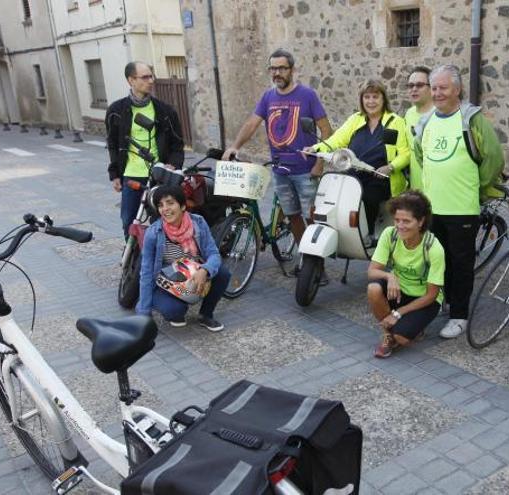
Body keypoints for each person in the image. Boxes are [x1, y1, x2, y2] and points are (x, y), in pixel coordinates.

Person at [414, 64, 505, 339]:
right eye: (434, 88)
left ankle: (459, 315)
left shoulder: (471, 119)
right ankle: (445, 301)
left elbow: (493, 158)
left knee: (461, 262)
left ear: (457, 90)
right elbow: (421, 154)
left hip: (462, 208)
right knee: (438, 260)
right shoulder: (427, 120)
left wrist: (478, 189)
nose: (438, 93)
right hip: (433, 207)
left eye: (443, 88)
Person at [224, 48, 332, 245]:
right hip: (280, 169)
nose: (277, 73)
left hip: (306, 170)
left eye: (282, 68)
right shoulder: (268, 97)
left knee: (311, 217)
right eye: (273, 69)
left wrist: (320, 162)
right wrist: (235, 146)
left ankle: (318, 263)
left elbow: (326, 130)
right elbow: (252, 123)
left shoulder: (307, 95)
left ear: (292, 70)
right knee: (293, 216)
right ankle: (305, 256)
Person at [307, 80, 411, 238]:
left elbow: (405, 153)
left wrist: (390, 167)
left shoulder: (395, 121)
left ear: (383, 99)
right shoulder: (356, 119)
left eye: (375, 97)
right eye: (367, 97)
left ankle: (365, 234)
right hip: (354, 174)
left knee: (369, 196)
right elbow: (337, 139)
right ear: (362, 100)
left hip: (381, 178)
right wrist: (315, 148)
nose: (371, 101)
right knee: (334, 195)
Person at [136, 184, 231, 332]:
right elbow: (146, 272)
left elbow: (214, 255)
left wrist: (205, 269)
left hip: (193, 273)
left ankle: (205, 315)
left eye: (170, 203)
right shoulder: (153, 233)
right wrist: (144, 312)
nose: (165, 209)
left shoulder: (198, 223)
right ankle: (159, 301)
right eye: (160, 205)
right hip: (167, 281)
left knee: (223, 274)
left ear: (182, 206)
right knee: (175, 311)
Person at [106, 61, 184, 238]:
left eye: (151, 76)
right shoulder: (116, 111)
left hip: (158, 176)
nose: (151, 80)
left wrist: (173, 164)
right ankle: (131, 260)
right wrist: (115, 174)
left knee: (161, 222)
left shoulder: (165, 111)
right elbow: (112, 143)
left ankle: (159, 258)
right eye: (145, 77)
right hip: (132, 176)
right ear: (131, 80)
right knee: (129, 221)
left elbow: (177, 144)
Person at [367, 191, 445, 358]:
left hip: (423, 299)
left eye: (406, 221)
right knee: (373, 289)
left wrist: (398, 313)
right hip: (398, 291)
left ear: (421, 221)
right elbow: (372, 271)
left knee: (402, 338)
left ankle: (407, 328)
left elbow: (432, 295)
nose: (400, 226)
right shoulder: (390, 234)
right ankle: (388, 335)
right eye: (397, 220)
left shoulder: (433, 247)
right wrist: (390, 276)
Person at [404, 66, 434, 191]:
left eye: (420, 85)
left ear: (431, 87)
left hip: (437, 188)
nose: (414, 89)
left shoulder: (440, 114)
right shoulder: (409, 113)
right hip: (416, 187)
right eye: (410, 85)